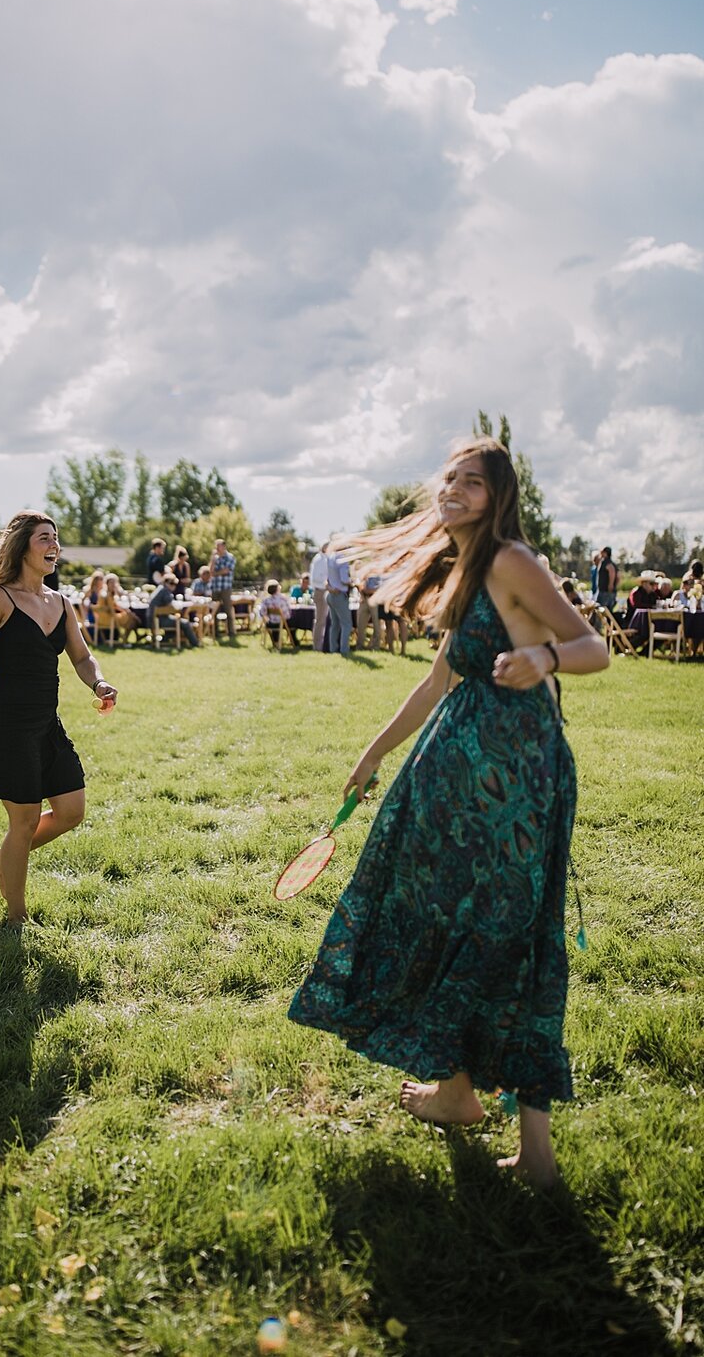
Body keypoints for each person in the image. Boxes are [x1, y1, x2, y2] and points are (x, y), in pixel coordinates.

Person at [289, 437, 609, 1188]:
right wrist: (372, 754)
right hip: (456, 787)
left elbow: (594, 647)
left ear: (498, 497)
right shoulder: (468, 572)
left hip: (516, 785)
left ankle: (534, 1150)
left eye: (473, 480)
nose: (455, 489)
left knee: (512, 932)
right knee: (462, 923)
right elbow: (437, 681)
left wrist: (549, 661)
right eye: (451, 478)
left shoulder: (508, 560)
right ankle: (460, 1093)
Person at [0, 511, 117, 928]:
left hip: (46, 723)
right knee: (22, 821)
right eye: (44, 538)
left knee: (72, 809)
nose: (53, 546)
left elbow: (81, 655)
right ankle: (17, 916)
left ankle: (3, 861)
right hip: (7, 725)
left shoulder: (60, 602)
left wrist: (99, 683)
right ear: (23, 547)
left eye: (56, 538)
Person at [148, 571, 198, 647]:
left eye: (175, 584)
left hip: (152, 619)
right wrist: (182, 606)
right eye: (172, 584)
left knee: (177, 621)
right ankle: (195, 644)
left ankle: (163, 641)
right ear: (166, 583)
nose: (173, 586)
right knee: (184, 623)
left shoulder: (160, 589)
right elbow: (172, 607)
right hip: (158, 620)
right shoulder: (165, 591)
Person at [325, 545, 352, 656]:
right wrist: (353, 580)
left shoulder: (330, 557)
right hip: (339, 594)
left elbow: (328, 578)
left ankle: (333, 649)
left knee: (335, 624)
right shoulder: (342, 560)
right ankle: (344, 650)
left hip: (331, 594)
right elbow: (344, 579)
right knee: (347, 624)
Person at [257, 579, 299, 649]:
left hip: (270, 623)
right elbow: (288, 614)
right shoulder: (283, 599)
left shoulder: (266, 600)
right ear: (277, 589)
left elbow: (262, 612)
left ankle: (276, 641)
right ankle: (294, 641)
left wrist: (267, 619)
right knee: (293, 623)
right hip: (282, 623)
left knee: (278, 624)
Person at [210, 538, 237, 641]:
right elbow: (211, 572)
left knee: (228, 610)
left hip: (225, 588)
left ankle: (231, 632)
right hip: (216, 587)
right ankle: (215, 632)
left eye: (218, 546)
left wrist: (216, 573)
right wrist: (212, 560)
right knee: (214, 611)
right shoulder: (216, 558)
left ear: (224, 546)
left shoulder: (230, 557)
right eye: (216, 546)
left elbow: (226, 571)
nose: (217, 549)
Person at [310, 542, 330, 651]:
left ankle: (322, 644)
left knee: (323, 620)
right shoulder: (319, 560)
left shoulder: (325, 559)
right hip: (320, 591)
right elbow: (316, 578)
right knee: (320, 620)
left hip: (325, 591)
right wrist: (327, 581)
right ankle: (317, 646)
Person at [355, 572, 382, 651]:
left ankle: (375, 646)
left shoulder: (379, 573)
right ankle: (360, 645)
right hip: (364, 598)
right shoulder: (367, 572)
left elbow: (380, 587)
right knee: (360, 624)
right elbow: (360, 583)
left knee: (376, 624)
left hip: (374, 598)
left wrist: (369, 591)